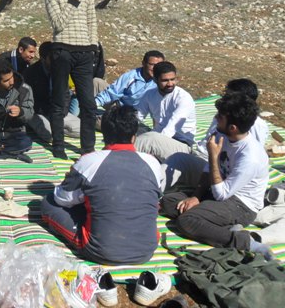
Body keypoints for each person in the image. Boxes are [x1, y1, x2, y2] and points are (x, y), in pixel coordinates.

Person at [41, 105, 163, 264]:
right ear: (134, 137)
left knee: (47, 203)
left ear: (104, 134)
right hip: (147, 250)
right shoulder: (153, 163)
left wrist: (72, 179)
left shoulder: (89, 161)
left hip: (101, 251)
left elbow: (62, 199)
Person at [160, 93, 272, 259]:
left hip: (241, 204)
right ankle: (218, 224)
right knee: (168, 202)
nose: (215, 118)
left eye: (220, 117)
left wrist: (213, 156)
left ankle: (244, 241)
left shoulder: (251, 157)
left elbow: (222, 194)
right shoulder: (222, 135)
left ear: (233, 127)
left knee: (187, 221)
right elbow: (208, 171)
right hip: (218, 191)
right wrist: (196, 197)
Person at [163, 78, 269, 194]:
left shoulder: (254, 128)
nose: (223, 97)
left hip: (213, 166)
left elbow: (225, 188)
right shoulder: (223, 116)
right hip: (200, 155)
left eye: (228, 95)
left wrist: (213, 158)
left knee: (177, 160)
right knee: (152, 140)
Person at [44, 0, 98, 159]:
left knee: (88, 103)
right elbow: (58, 24)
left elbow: (92, 21)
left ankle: (88, 149)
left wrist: (93, 47)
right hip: (62, 51)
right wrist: (73, 1)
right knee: (59, 100)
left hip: (84, 52)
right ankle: (58, 146)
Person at [134, 61, 196, 162]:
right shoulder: (149, 95)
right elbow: (137, 117)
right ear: (155, 80)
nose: (170, 84)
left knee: (148, 141)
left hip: (181, 144)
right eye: (165, 80)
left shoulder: (183, 98)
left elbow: (171, 128)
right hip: (156, 137)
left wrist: (152, 141)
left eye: (173, 79)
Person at [25, 41, 81, 142]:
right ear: (43, 58)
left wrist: (62, 111)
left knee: (81, 130)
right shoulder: (31, 73)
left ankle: (58, 128)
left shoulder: (60, 70)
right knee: (50, 136)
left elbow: (66, 94)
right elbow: (29, 101)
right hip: (39, 112)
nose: (56, 60)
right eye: (52, 58)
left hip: (58, 112)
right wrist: (49, 111)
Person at [95, 50, 165, 110]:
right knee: (96, 82)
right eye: (152, 65)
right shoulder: (130, 77)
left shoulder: (162, 80)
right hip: (121, 108)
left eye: (159, 65)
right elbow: (112, 93)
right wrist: (94, 104)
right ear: (143, 63)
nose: (156, 68)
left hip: (143, 112)